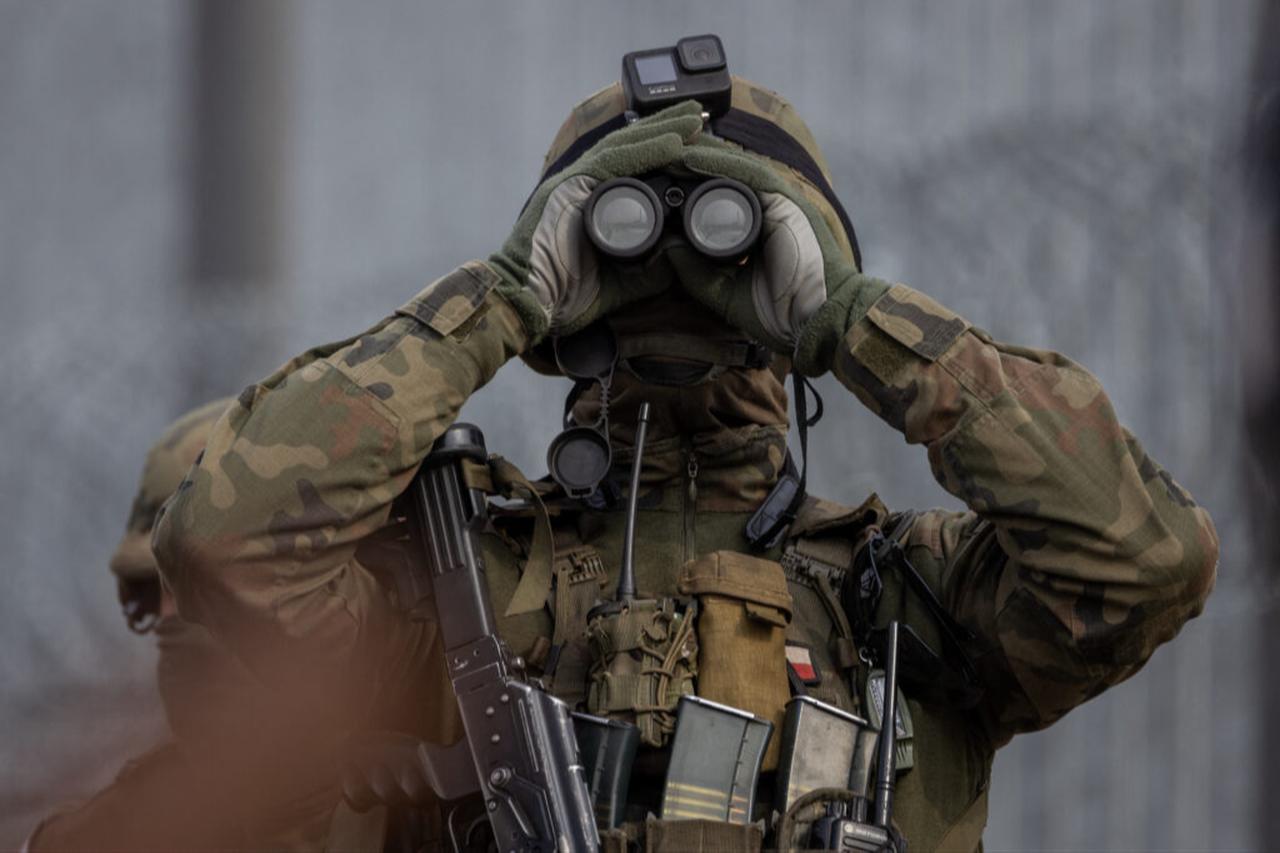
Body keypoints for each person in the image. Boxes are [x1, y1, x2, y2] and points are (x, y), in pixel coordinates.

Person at [154, 73, 1218, 852]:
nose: (672, 273)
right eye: (622, 240)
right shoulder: (454, 591)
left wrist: (844, 315)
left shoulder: (900, 597)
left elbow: (1140, 560)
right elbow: (227, 542)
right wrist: (507, 295)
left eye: (724, 239)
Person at [27, 400, 362, 852]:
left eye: (207, 586)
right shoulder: (126, 828)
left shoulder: (448, 775)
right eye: (154, 595)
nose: (174, 620)